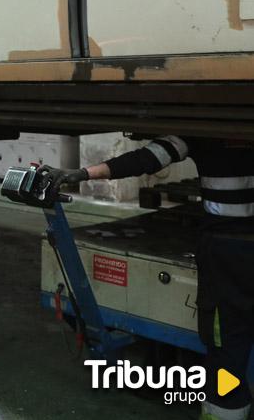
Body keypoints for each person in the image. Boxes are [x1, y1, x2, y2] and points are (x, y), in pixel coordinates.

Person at [44, 136, 254, 420]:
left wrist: (81, 174)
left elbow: (147, 158)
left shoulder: (204, 127)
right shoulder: (206, 125)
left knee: (227, 353)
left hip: (227, 254)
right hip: (228, 252)